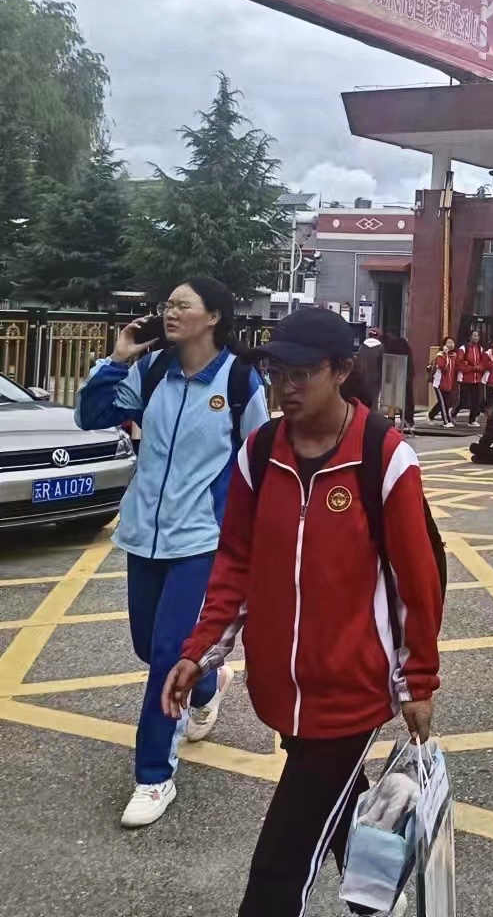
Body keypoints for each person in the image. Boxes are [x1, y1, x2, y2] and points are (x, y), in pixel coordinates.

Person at [162, 306, 443, 916]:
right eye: (276, 373)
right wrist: (199, 652)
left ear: (340, 371)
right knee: (337, 808)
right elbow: (235, 562)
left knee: (280, 865)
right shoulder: (260, 452)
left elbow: (416, 584)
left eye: (300, 374)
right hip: (281, 689)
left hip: (352, 691)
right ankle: (380, 901)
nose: (284, 388)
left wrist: (418, 680)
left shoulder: (384, 456)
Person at [74, 277, 270, 828]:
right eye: (169, 305)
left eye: (183, 305)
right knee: (148, 645)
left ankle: (154, 775)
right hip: (143, 533)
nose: (171, 312)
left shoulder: (238, 381)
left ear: (214, 316)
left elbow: (259, 461)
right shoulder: (152, 370)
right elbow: (91, 415)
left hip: (201, 540)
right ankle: (208, 681)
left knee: (166, 654)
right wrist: (116, 361)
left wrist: (248, 538)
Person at [455, 329, 491, 427]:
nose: (476, 338)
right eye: (474, 335)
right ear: (470, 337)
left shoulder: (480, 349)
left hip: (477, 379)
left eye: (477, 336)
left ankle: (472, 420)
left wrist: (480, 367)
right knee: (463, 400)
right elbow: (459, 364)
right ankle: (453, 413)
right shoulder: (463, 348)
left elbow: (484, 362)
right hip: (465, 379)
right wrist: (471, 368)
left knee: (476, 400)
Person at [427, 336, 458, 427]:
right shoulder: (440, 355)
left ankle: (431, 415)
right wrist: (446, 354)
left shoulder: (454, 356)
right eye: (448, 343)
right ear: (444, 345)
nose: (451, 345)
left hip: (449, 384)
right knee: (444, 403)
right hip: (439, 384)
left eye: (452, 343)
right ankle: (446, 421)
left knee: (444, 402)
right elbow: (442, 366)